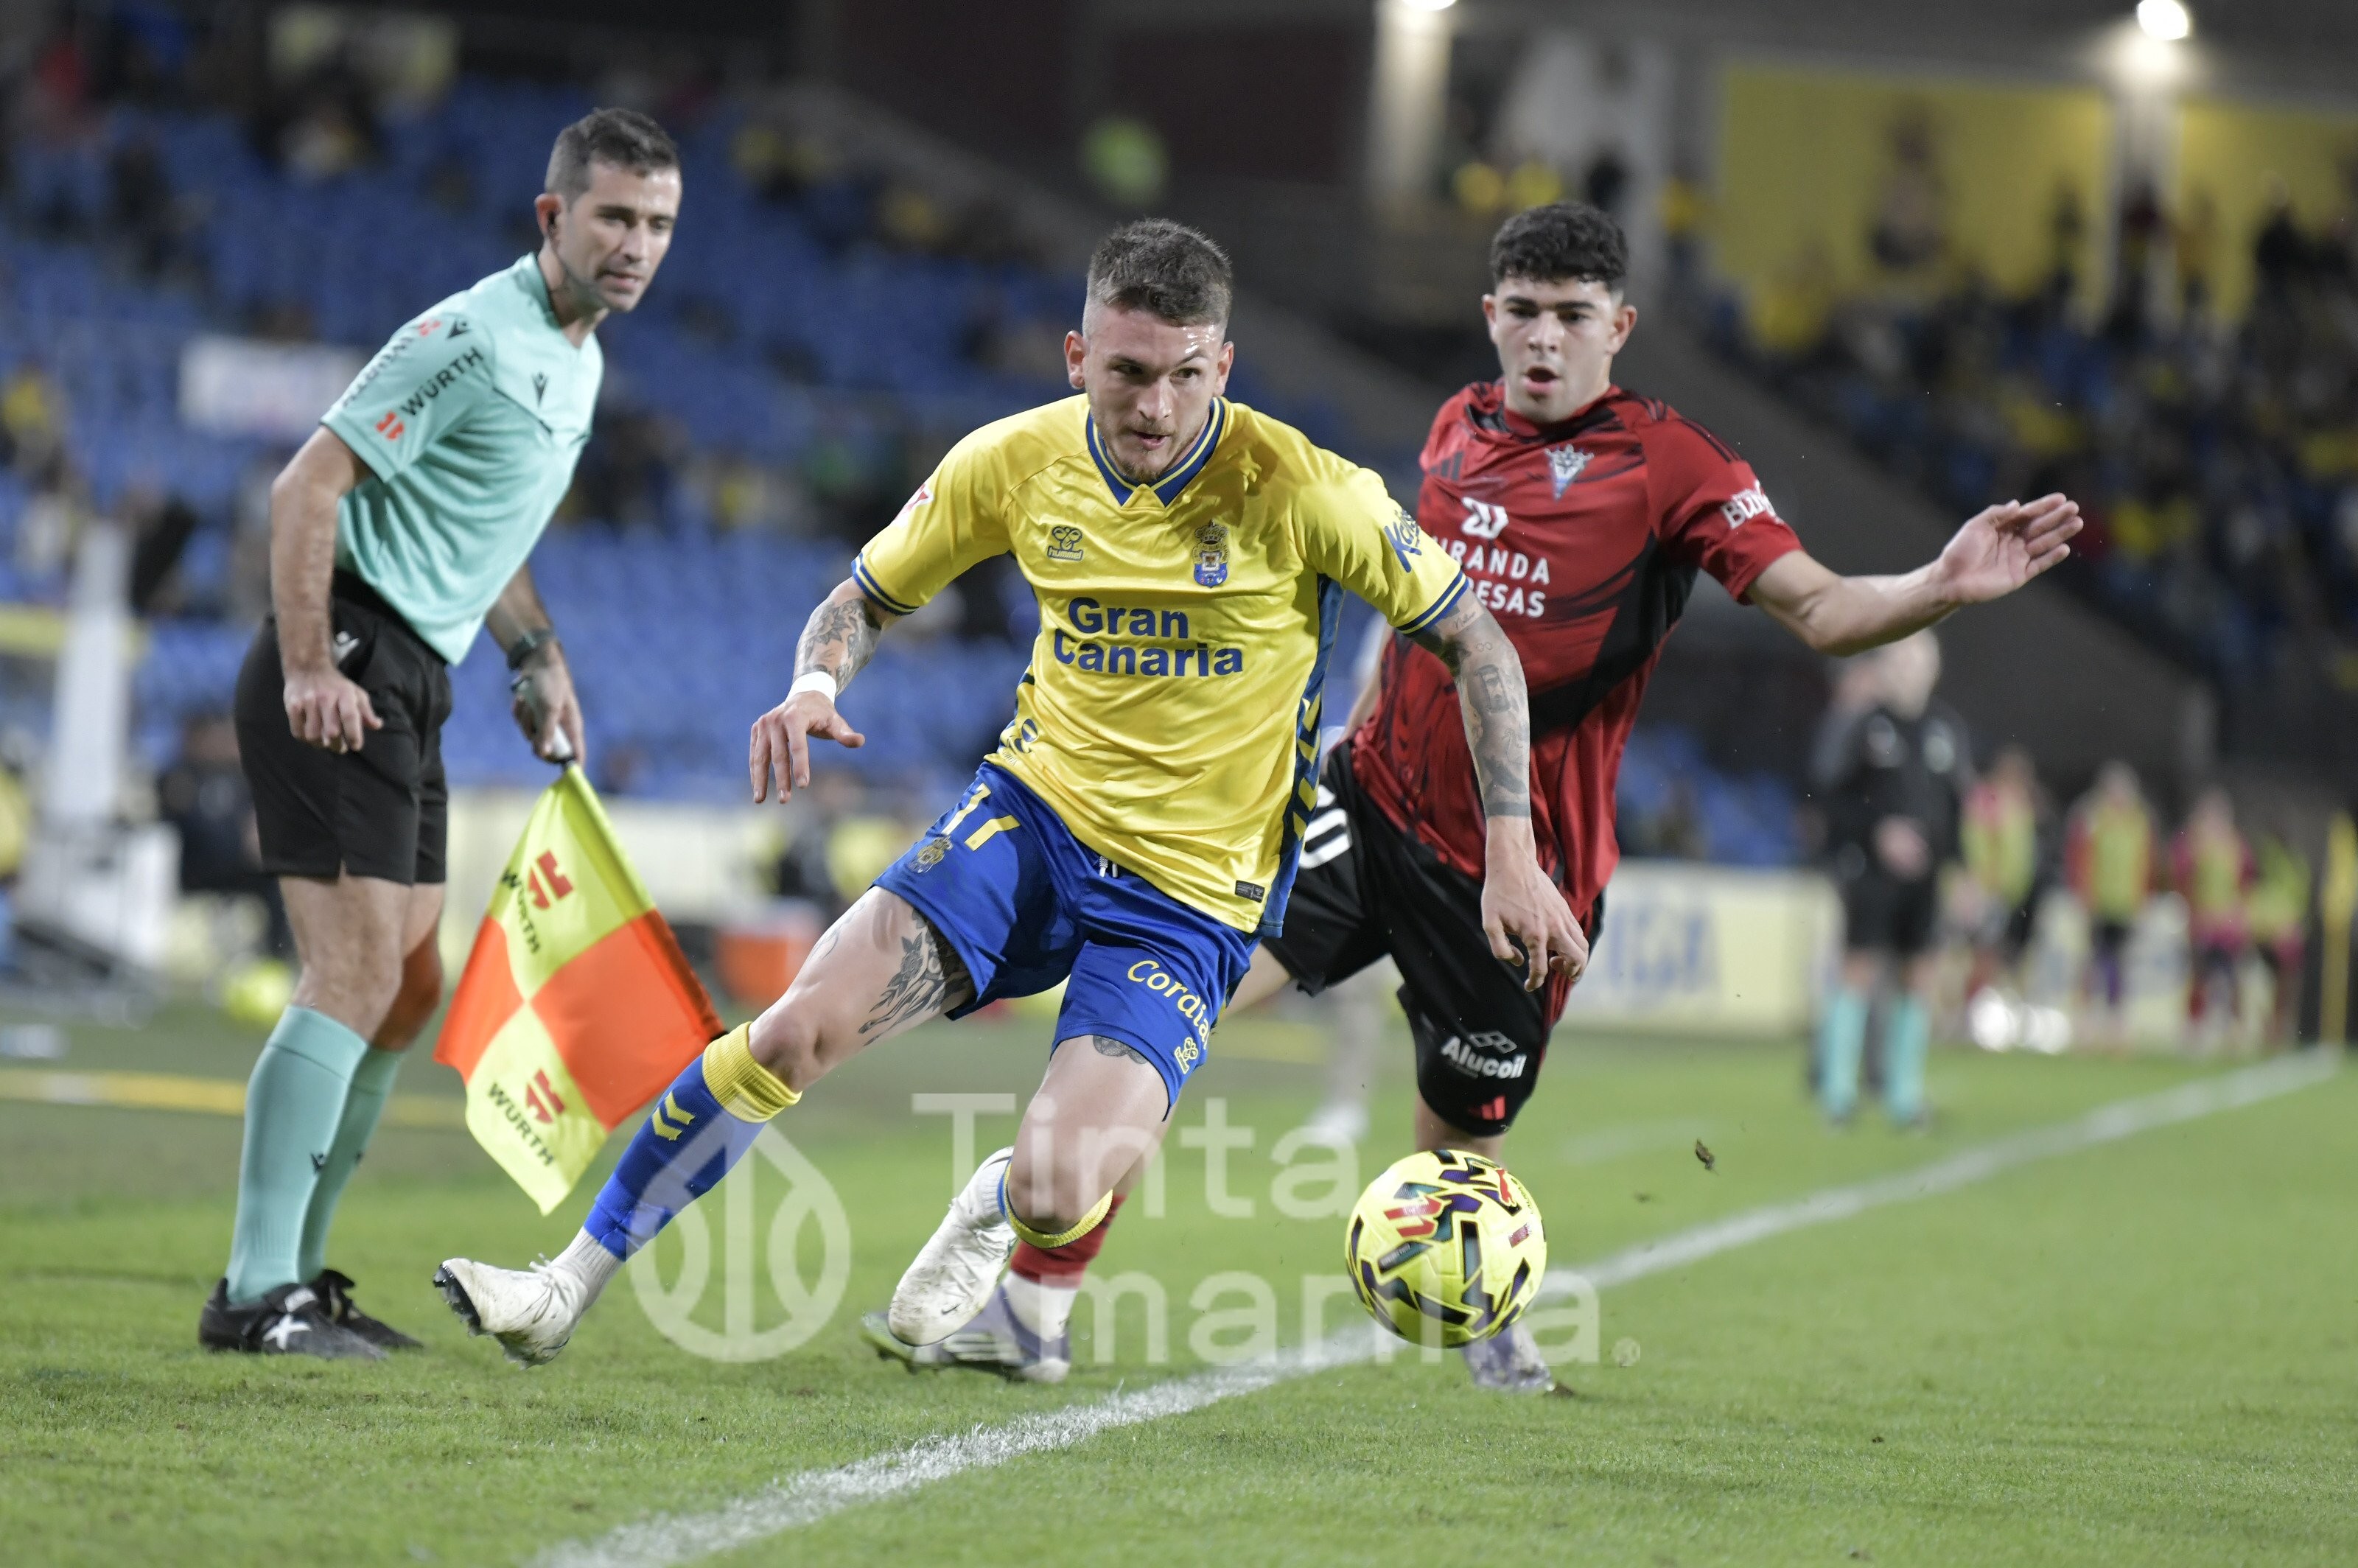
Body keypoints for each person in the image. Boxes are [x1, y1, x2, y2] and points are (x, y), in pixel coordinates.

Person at [866, 201, 2082, 1393]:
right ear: (1490, 315)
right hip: (1366, 794)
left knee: (1462, 1134)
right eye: (1524, 313)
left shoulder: (1675, 467)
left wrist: (1939, 583)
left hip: (1528, 862)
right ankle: (1030, 1275)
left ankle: (1490, 1331)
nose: (1544, 339)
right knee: (1181, 1003)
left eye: (1572, 316)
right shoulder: (1455, 426)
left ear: (1621, 325)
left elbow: (1817, 607)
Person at [429, 219, 1584, 1370]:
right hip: (1031, 822)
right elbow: (866, 595)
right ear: (1078, 358)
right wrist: (812, 682)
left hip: (1193, 897)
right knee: (795, 1030)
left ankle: (997, 1204)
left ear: (1223, 367)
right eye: (1128, 373)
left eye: (1187, 376)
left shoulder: (1301, 488)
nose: (1155, 406)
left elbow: (1478, 644)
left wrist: (1514, 854)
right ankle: (564, 1284)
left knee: (1056, 1190)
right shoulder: (1015, 461)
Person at [201, 109, 681, 1360]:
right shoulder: (473, 335)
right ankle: (257, 1294)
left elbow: (488, 528)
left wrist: (535, 651)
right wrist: (310, 661)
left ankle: (301, 1277)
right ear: (554, 217)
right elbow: (310, 482)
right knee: (351, 977)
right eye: (616, 217)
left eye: (658, 224)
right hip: (348, 658)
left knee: (407, 988)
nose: (637, 244)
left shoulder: (576, 361)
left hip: (422, 678)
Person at [1811, 633, 1968, 1127]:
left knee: (1918, 977)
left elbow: (1955, 807)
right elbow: (1832, 800)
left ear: (1934, 669)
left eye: (1920, 660)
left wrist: (1960, 870)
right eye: (1901, 660)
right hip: (1870, 871)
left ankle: (1905, 1095)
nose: (1910, 670)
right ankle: (1838, 1092)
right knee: (1858, 970)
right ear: (1885, 666)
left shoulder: (1945, 729)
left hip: (1926, 878)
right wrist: (1879, 832)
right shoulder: (1863, 726)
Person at [2067, 763, 2155, 1040]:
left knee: (2121, 963)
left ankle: (2117, 1022)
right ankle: (2087, 1020)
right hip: (2099, 901)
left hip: (2125, 904)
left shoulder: (2138, 821)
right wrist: (2083, 894)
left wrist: (2144, 897)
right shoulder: (2094, 818)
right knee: (2094, 960)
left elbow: (2146, 864)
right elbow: (2080, 857)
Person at [1959, 743, 2048, 1007]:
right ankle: (1970, 1008)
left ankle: (1982, 1006)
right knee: (1981, 953)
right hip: (1987, 890)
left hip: (2012, 891)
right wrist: (1981, 880)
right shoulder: (1987, 800)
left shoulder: (2019, 804)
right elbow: (1976, 843)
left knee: (1995, 952)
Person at [2174, 787, 2253, 1046]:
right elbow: (2181, 877)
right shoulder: (2194, 846)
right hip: (2203, 922)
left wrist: (2240, 914)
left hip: (2228, 926)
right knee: (2200, 977)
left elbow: (2245, 883)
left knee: (2231, 977)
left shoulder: (2235, 845)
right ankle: (2195, 1029)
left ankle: (2234, 1030)